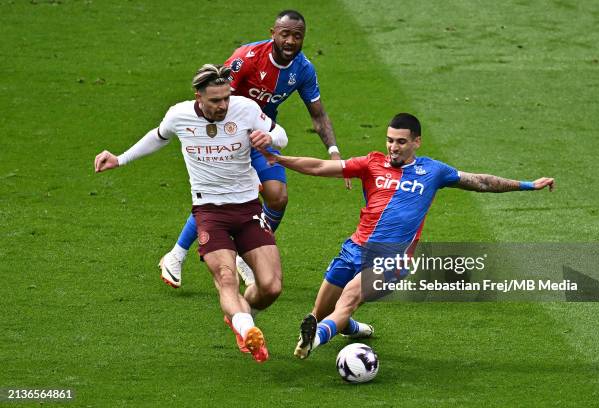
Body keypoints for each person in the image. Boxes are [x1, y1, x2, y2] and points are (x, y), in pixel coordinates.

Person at [256, 113, 555, 359]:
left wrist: (528, 185)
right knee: (320, 313)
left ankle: (316, 341)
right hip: (354, 249)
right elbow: (321, 166)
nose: (393, 147)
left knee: (348, 299)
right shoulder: (371, 163)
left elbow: (481, 182)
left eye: (401, 142)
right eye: (389, 140)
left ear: (416, 142)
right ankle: (348, 329)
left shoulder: (433, 171)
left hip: (390, 259)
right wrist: (280, 160)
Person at [94, 64, 289, 363]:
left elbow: (282, 136)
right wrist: (119, 160)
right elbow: (157, 137)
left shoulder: (246, 109)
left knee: (271, 287)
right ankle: (248, 329)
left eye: (226, 97)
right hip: (210, 212)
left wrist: (269, 139)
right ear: (198, 97)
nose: (223, 105)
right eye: (215, 100)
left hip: (248, 207)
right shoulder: (179, 115)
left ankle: (239, 316)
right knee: (226, 278)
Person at [159, 9, 349, 289]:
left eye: (297, 36)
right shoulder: (245, 59)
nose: (290, 41)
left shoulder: (303, 69)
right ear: (273, 33)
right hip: (227, 137)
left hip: (261, 138)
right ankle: (176, 255)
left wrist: (334, 154)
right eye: (285, 34)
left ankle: (246, 257)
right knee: (218, 197)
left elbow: (318, 115)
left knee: (278, 196)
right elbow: (212, 99)